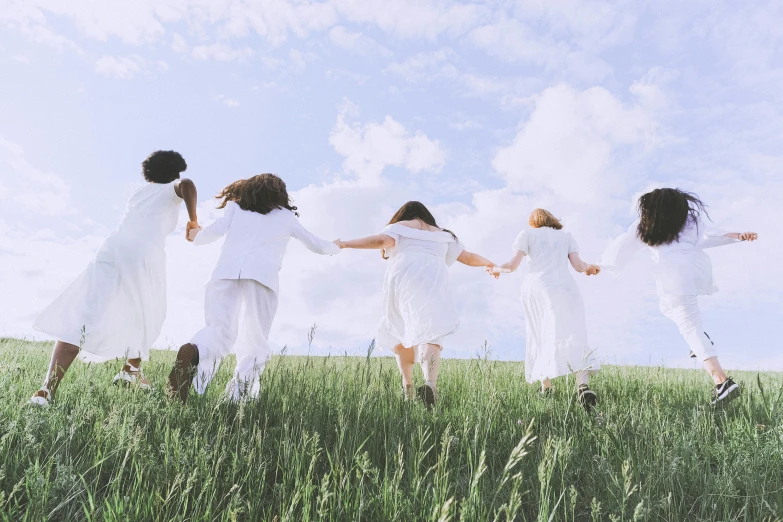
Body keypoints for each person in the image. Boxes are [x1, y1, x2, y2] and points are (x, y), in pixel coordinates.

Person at [29, 150, 198, 406]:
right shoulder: (171, 189)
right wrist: (193, 220)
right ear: (174, 173)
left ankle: (46, 389)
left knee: (83, 314)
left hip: (111, 250)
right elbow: (187, 185)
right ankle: (131, 369)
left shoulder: (138, 194)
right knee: (146, 310)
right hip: (143, 255)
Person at [168, 173, 339, 403]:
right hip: (262, 278)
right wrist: (336, 247)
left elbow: (209, 234)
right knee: (254, 341)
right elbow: (316, 244)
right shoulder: (286, 216)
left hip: (224, 274)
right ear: (281, 194)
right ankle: (236, 401)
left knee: (220, 330)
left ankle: (195, 350)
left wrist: (194, 234)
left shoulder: (235, 209)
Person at [600, 188, 758, 405]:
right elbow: (711, 233)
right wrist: (738, 236)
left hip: (671, 276)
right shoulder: (689, 222)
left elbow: (623, 247)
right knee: (667, 308)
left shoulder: (645, 226)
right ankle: (700, 340)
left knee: (689, 325)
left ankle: (722, 382)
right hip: (691, 271)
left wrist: (603, 266)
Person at [334, 201, 497, 409]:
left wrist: (345, 243)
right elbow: (468, 257)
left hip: (404, 279)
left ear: (403, 215)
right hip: (434, 282)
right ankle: (430, 383)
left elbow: (379, 240)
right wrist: (491, 264)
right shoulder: (444, 235)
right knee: (431, 334)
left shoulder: (399, 227)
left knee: (400, 331)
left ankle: (408, 386)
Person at [489, 209, 601, 410]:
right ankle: (582, 386)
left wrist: (495, 269)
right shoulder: (566, 236)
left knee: (540, 332)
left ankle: (545, 387)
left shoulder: (527, 234)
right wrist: (591, 268)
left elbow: (512, 265)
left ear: (533, 222)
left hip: (538, 287)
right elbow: (578, 265)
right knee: (575, 332)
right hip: (566, 287)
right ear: (552, 220)